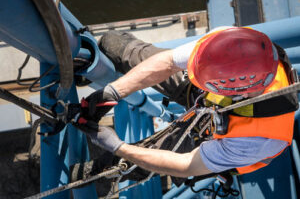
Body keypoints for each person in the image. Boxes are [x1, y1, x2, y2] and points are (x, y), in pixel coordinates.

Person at [75, 27, 298, 179]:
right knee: (114, 44)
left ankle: (89, 173)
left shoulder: (260, 140)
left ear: (233, 89)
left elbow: (186, 164)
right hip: (209, 99)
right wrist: (114, 91)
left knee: (120, 165)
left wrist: (120, 147)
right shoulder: (230, 42)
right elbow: (170, 62)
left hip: (212, 139)